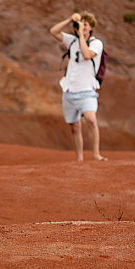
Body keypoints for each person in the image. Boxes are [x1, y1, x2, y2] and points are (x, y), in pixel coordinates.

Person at [49, 11, 107, 162]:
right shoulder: (72, 41)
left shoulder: (96, 43)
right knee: (75, 127)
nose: (82, 27)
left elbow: (87, 55)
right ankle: (79, 159)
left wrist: (81, 35)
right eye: (80, 24)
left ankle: (96, 154)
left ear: (91, 27)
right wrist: (69, 19)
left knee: (91, 120)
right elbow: (53, 31)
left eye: (85, 25)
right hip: (69, 90)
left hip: (87, 91)